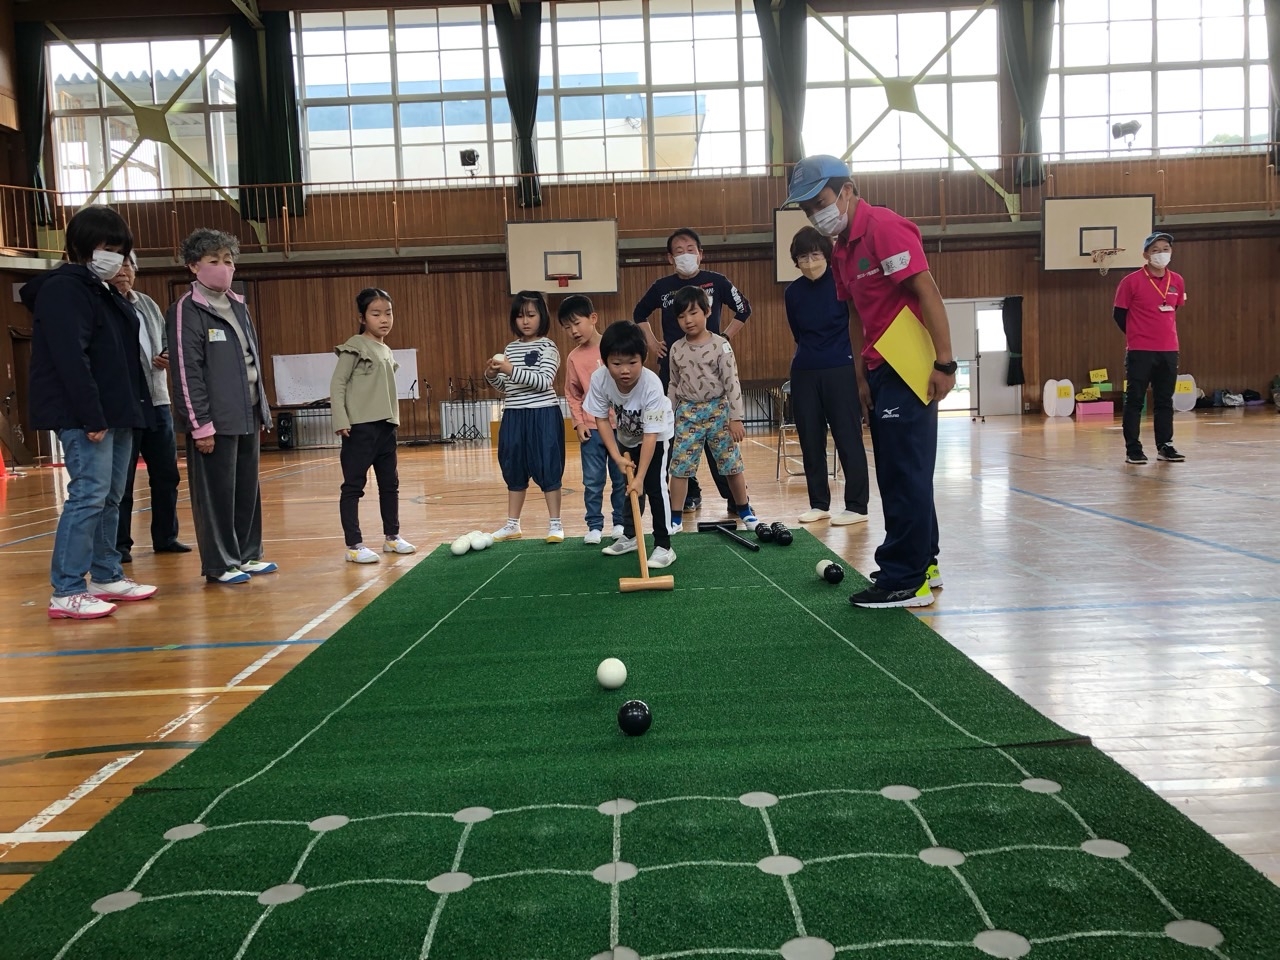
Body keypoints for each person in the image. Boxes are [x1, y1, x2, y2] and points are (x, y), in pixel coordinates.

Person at [786, 155, 955, 609]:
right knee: (901, 470)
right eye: (806, 210)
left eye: (819, 202)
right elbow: (857, 315)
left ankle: (907, 579)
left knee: (904, 472)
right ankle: (925, 562)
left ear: (847, 190)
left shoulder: (884, 228)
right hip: (879, 369)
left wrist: (945, 363)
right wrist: (860, 373)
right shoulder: (840, 248)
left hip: (910, 365)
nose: (815, 214)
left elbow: (927, 292)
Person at [22, 205, 157, 619]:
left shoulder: (105, 292)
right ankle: (66, 588)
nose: (114, 258)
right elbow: (70, 357)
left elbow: (119, 357)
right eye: (106, 248)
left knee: (112, 497)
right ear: (81, 247)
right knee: (88, 496)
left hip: (119, 411)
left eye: (120, 250)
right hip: (85, 416)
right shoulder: (65, 289)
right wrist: (91, 415)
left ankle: (105, 572)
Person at [168, 228, 278, 585]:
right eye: (213, 261)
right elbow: (186, 372)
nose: (223, 267)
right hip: (213, 422)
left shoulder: (238, 304)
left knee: (247, 489)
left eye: (228, 261)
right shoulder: (186, 311)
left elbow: (252, 362)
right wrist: (199, 424)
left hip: (246, 414)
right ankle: (220, 563)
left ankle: (248, 554)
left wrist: (261, 410)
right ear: (193, 266)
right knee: (216, 497)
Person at [633, 227, 751, 515]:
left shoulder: (717, 282)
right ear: (669, 257)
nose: (684, 255)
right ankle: (689, 495)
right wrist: (652, 342)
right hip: (676, 372)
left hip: (712, 377)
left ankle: (734, 498)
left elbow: (744, 309)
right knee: (679, 440)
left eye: (690, 249)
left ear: (701, 253)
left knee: (718, 443)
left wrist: (723, 337)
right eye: (678, 250)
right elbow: (639, 314)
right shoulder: (661, 287)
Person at [783, 226, 871, 527]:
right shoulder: (792, 292)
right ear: (796, 261)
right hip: (805, 370)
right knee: (810, 439)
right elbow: (797, 332)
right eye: (803, 257)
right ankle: (819, 503)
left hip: (841, 367)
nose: (809, 262)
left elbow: (856, 324)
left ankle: (857, 505)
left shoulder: (842, 282)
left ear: (827, 255)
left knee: (848, 436)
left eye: (815, 255)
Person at [109, 252, 188, 561]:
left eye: (128, 264)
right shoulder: (102, 305)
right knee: (123, 480)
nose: (123, 271)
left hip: (157, 401)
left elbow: (168, 342)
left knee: (167, 474)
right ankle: (120, 544)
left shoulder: (148, 304)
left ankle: (166, 537)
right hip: (125, 406)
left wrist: (167, 355)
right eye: (116, 265)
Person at [331, 288, 417, 563]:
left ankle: (392, 537)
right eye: (376, 314)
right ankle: (354, 545)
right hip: (360, 428)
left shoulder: (386, 349)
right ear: (362, 317)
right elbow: (338, 383)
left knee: (389, 484)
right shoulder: (354, 345)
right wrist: (341, 419)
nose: (384, 319)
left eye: (388, 313)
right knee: (353, 486)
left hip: (385, 427)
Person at [665, 286, 758, 534]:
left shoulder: (721, 346)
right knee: (680, 466)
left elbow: (732, 382)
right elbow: (673, 383)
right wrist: (667, 414)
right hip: (687, 413)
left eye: (693, 313)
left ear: (707, 312)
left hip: (719, 411)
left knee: (731, 463)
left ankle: (745, 510)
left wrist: (736, 418)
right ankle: (675, 518)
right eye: (682, 316)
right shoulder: (676, 349)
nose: (688, 320)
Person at [584, 321, 676, 569]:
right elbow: (601, 418)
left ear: (643, 359)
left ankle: (664, 546)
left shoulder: (652, 385)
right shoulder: (600, 379)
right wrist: (616, 456)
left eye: (632, 363)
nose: (624, 370)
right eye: (616, 363)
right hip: (625, 437)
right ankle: (631, 536)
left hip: (656, 437)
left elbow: (650, 436)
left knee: (654, 487)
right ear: (605, 361)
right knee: (629, 489)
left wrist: (641, 476)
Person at [486, 291, 565, 543]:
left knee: (549, 465)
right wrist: (491, 375)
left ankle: (555, 523)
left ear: (542, 316)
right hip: (514, 415)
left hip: (543, 414)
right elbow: (508, 386)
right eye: (520, 316)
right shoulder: (510, 348)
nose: (525, 321)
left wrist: (510, 369)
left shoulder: (548, 346)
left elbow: (543, 382)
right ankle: (512, 524)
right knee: (513, 466)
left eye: (531, 315)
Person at [557, 294, 626, 545]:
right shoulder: (574, 357)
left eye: (577, 323)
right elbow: (572, 393)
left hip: (620, 428)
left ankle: (620, 522)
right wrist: (578, 422)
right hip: (591, 429)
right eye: (567, 327)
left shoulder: (614, 347)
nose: (573, 331)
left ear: (593, 318)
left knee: (620, 478)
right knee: (593, 480)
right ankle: (595, 525)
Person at [1113, 231, 1187, 465]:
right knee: (1135, 399)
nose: (1161, 254)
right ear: (1146, 254)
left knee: (1165, 400)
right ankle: (1133, 448)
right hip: (1140, 350)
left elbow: (1175, 309)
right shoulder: (1131, 281)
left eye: (1165, 249)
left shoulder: (1176, 280)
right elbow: (1119, 314)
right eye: (1155, 250)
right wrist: (1138, 334)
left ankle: (1165, 445)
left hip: (1168, 349)